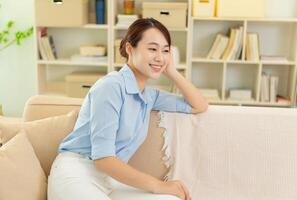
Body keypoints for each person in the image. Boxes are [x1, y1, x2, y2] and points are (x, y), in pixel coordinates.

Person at [48, 18, 208, 200]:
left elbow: (199, 105)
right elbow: (103, 159)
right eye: (152, 49)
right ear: (130, 49)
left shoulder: (149, 96)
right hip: (77, 172)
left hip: (109, 181)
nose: (160, 56)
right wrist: (159, 185)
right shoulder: (110, 87)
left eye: (165, 51)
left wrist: (171, 71)